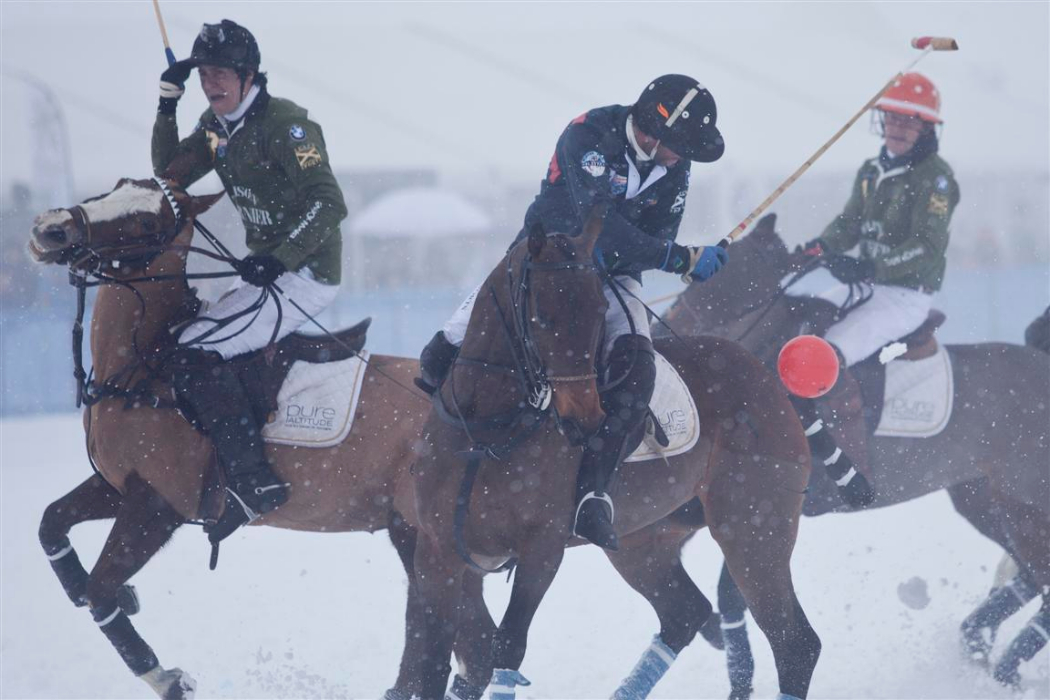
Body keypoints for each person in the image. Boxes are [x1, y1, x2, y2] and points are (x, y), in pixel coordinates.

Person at [417, 74, 729, 550]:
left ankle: (592, 494)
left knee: (637, 372)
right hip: (543, 263)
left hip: (612, 275)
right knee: (439, 354)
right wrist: (678, 258)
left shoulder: (676, 165)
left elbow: (656, 234)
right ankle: (439, 466)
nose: (682, 158)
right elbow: (596, 224)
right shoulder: (589, 135)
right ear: (651, 131)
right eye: (679, 146)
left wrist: (673, 256)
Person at [151, 20, 348, 542]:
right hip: (269, 276)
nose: (211, 84)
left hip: (305, 276)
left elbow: (330, 203)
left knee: (191, 352)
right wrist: (167, 103)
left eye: (220, 74)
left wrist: (280, 258)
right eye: (203, 76)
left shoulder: (288, 127)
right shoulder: (215, 126)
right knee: (179, 341)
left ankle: (253, 482)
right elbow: (170, 173)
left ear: (248, 75)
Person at [791, 72, 960, 494]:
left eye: (910, 122)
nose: (900, 129)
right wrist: (820, 247)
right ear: (881, 122)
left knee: (826, 354)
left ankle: (847, 462)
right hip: (865, 286)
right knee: (796, 325)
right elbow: (848, 223)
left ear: (926, 128)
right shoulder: (871, 170)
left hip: (904, 296)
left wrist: (872, 269)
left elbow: (926, 247)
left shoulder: (935, 179)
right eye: (893, 119)